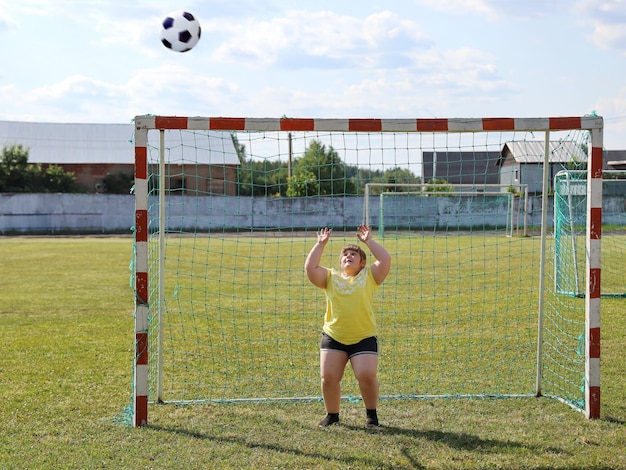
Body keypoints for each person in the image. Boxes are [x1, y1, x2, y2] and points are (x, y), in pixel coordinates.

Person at [304, 224, 391, 428]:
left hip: (363, 337)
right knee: (329, 378)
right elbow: (310, 268)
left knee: (366, 375)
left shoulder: (369, 276)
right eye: (345, 255)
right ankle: (332, 415)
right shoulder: (330, 277)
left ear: (362, 263)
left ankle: (372, 415)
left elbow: (385, 259)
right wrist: (320, 244)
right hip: (334, 336)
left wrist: (368, 241)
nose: (348, 256)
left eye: (354, 254)